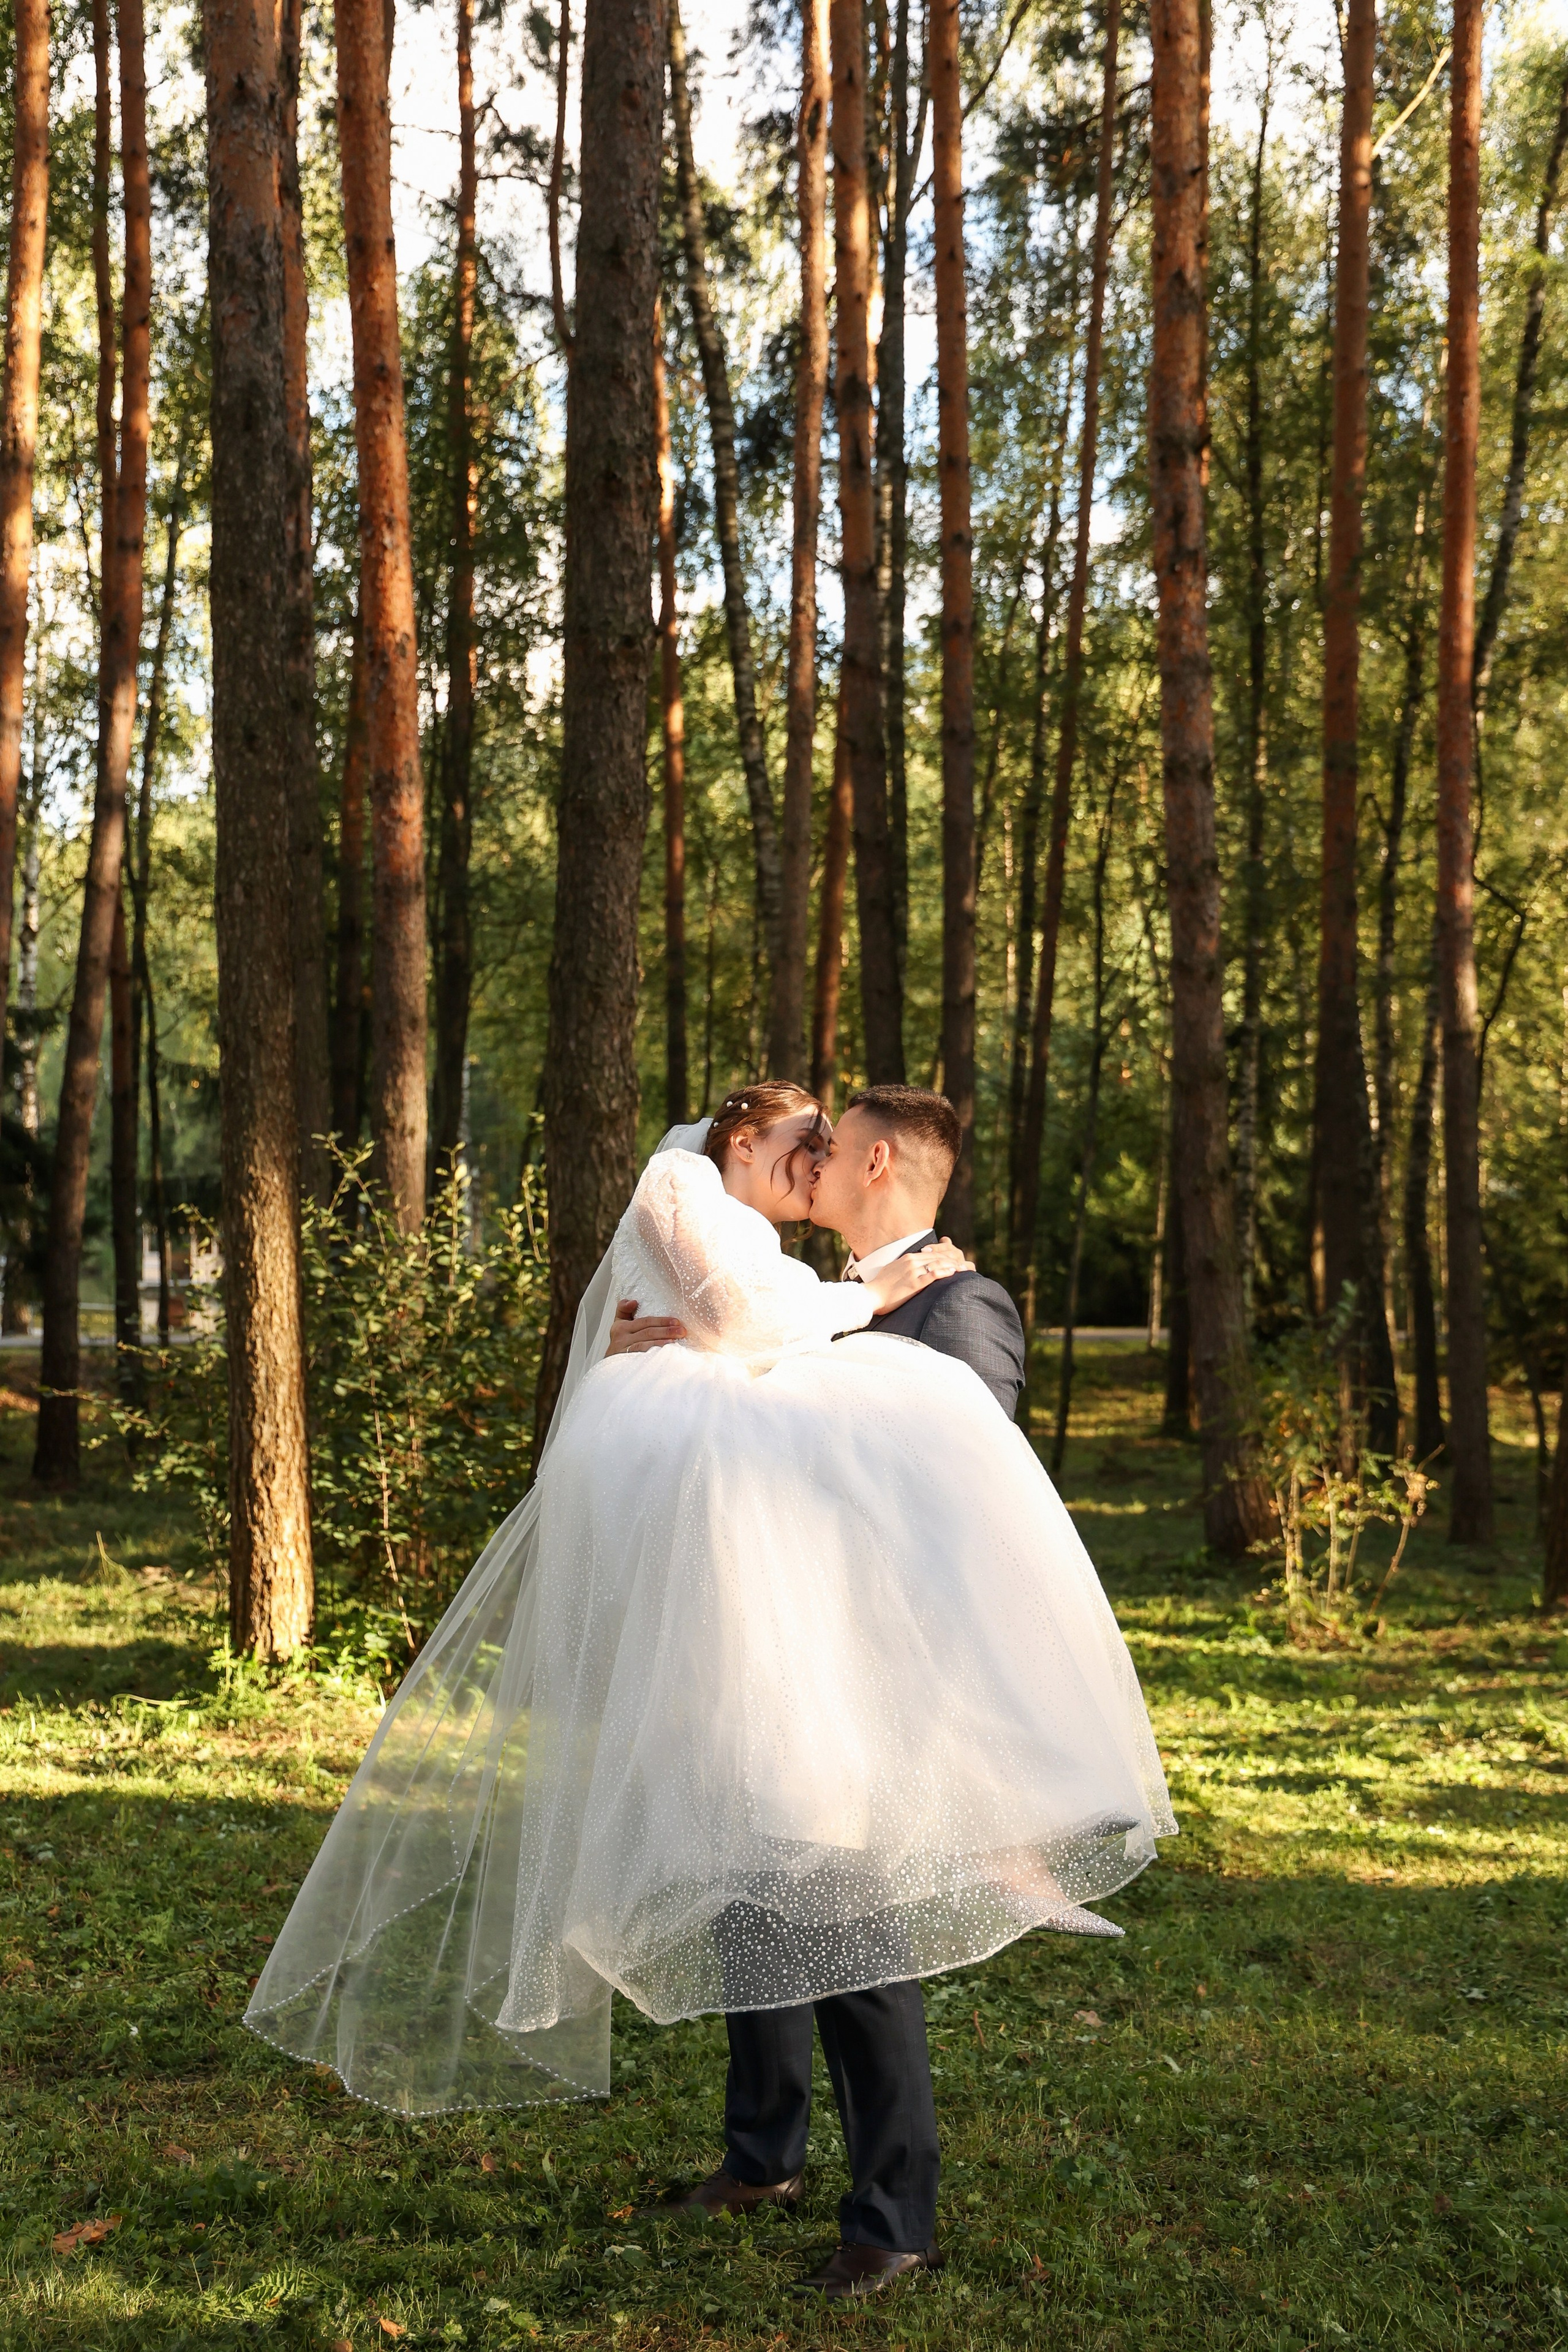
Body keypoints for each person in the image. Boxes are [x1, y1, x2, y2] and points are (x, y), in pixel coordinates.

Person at [246, 1082, 1174, 2302]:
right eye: (804, 1146)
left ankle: (892, 2217)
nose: (813, 1168)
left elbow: (963, 1494)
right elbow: (733, 1384)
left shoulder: (958, 1302)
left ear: (877, 1160)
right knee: (752, 1904)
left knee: (851, 1932)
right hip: (747, 1653)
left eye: (827, 1149)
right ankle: (762, 2155)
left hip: (863, 1674)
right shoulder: (770, 1266)